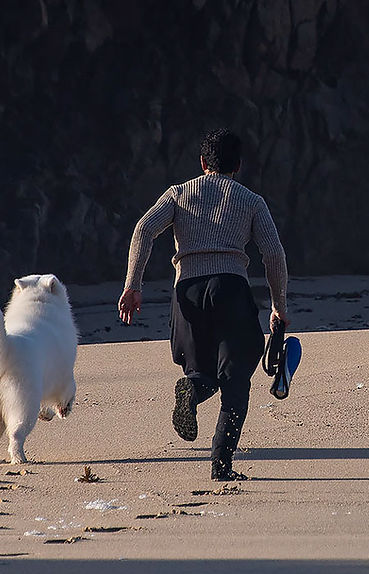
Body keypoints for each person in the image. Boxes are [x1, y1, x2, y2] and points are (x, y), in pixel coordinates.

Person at [118, 128, 288, 481]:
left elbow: (143, 230)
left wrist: (133, 285)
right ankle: (221, 464)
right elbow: (273, 254)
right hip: (230, 287)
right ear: (238, 165)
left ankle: (192, 391)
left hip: (187, 291)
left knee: (203, 370)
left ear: (201, 162)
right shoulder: (251, 201)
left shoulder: (179, 193)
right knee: (236, 376)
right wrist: (278, 305)